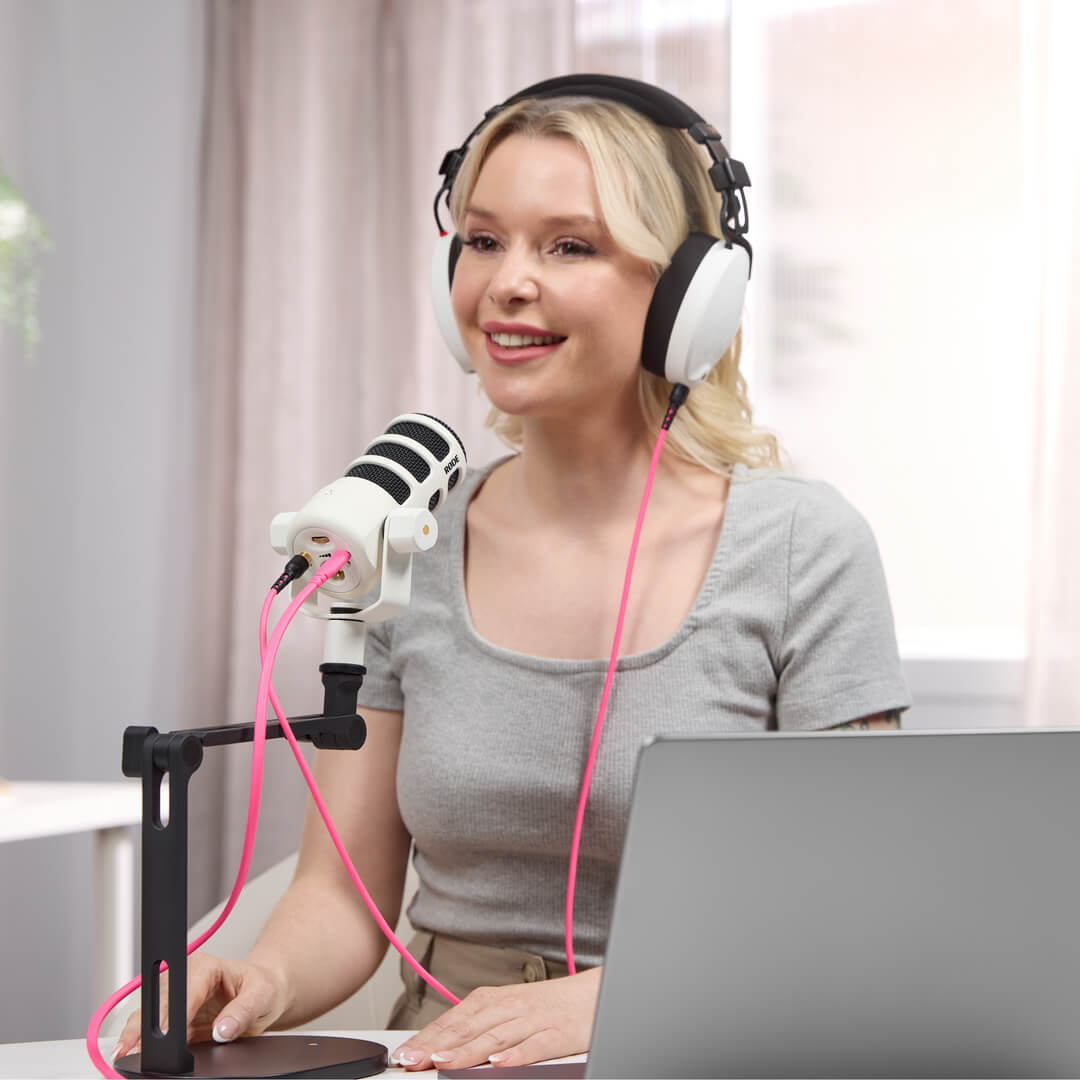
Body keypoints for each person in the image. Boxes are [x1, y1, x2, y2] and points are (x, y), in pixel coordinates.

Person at [113, 76, 910, 1072]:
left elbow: (861, 904)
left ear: (686, 296)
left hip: (712, 1048)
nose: (505, 284)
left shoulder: (804, 549)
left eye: (568, 245)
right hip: (443, 1053)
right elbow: (342, 895)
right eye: (483, 240)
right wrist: (263, 978)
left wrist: (612, 1004)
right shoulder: (409, 540)